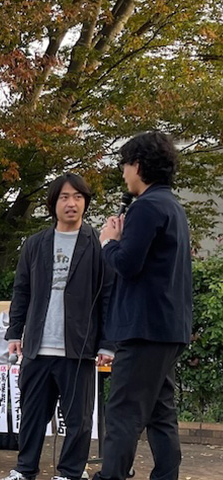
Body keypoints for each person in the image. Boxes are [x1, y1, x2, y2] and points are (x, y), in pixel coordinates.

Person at [1, 173, 114, 480]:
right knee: (32, 415)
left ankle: (70, 473)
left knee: (78, 419)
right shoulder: (35, 244)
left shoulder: (97, 245)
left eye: (78, 197)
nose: (71, 203)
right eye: (64, 197)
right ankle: (24, 469)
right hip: (37, 346)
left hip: (79, 347)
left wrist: (108, 343)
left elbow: (108, 296)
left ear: (85, 202)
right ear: (53, 204)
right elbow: (21, 290)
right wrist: (15, 332)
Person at [94, 132, 192, 480]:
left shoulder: (146, 207)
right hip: (168, 327)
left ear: (137, 165)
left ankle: (111, 475)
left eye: (125, 165)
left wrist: (109, 243)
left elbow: (128, 264)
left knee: (123, 411)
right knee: (160, 412)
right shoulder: (172, 207)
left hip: (143, 329)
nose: (123, 173)